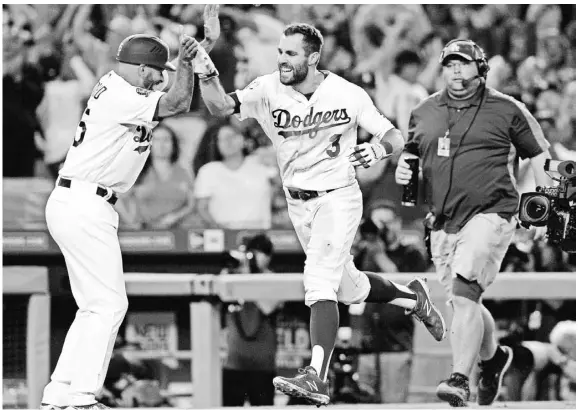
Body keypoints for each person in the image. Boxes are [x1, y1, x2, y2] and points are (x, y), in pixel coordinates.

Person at [196, 22, 446, 406]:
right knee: (350, 288)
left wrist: (378, 151)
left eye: (291, 53)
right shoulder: (267, 88)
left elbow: (393, 135)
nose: (282, 59)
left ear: (313, 58)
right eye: (280, 51)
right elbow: (219, 106)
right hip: (298, 203)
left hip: (338, 198)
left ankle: (316, 375)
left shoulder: (346, 93)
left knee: (317, 282)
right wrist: (205, 68)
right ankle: (413, 299)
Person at [39, 6, 219, 410]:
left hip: (82, 201)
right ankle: (81, 399)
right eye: (157, 72)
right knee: (109, 304)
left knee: (94, 307)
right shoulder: (121, 93)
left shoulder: (123, 88)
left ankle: (60, 394)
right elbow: (175, 103)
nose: (160, 77)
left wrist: (198, 51)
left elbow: (176, 96)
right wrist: (189, 59)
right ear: (141, 69)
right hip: (85, 200)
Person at [395, 38, 552, 407]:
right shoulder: (423, 111)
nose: (456, 71)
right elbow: (413, 156)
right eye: (450, 64)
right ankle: (494, 358)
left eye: (463, 64)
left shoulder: (508, 109)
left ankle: (460, 379)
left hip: (493, 212)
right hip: (442, 220)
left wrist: (547, 206)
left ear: (481, 69)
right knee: (465, 301)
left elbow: (541, 157)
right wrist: (404, 168)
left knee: (464, 293)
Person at [222, 233, 279, 407]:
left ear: (268, 258)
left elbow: (268, 307)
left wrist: (250, 279)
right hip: (234, 362)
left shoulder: (274, 279)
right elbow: (223, 296)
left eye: (258, 255)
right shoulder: (233, 276)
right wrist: (237, 275)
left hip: (263, 365)